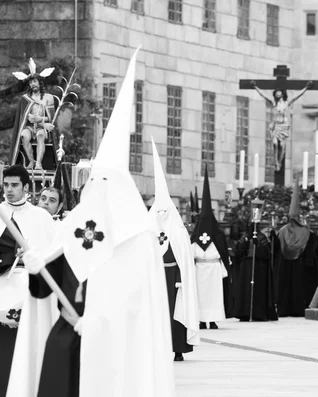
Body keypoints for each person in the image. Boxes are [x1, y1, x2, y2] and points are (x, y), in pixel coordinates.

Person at [13, 50, 176, 397]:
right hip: (67, 343)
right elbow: (47, 287)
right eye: (93, 182)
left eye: (105, 182)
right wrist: (35, 266)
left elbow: (140, 312)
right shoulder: (77, 227)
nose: (96, 190)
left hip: (116, 355)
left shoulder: (138, 239)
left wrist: (101, 323)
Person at [0, 165, 56, 396]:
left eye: (14, 185)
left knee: (26, 355)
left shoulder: (41, 217)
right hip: (2, 289)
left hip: (30, 291)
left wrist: (32, 255)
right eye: (6, 185)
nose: (9, 190)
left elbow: (54, 256)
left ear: (26, 187)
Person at [149, 140, 200, 361]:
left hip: (173, 282)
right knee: (155, 315)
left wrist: (179, 279)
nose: (161, 213)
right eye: (157, 210)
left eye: (164, 210)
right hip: (155, 279)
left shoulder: (178, 232)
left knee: (174, 313)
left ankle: (178, 348)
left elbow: (183, 259)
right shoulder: (148, 228)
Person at [191, 169, 229, 329]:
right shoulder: (195, 237)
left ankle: (212, 320)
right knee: (200, 295)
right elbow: (190, 254)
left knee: (213, 296)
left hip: (213, 269)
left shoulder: (218, 236)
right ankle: (200, 319)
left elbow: (223, 253)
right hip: (199, 268)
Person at [277, 179, 317, 317]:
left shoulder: (282, 231)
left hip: (285, 265)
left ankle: (284, 308)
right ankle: (297, 309)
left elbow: (278, 249)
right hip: (300, 264)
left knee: (285, 286)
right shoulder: (307, 232)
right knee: (298, 287)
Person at [251, 81, 312, 171]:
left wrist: (306, 88)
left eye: (278, 92)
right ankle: (276, 162)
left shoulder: (286, 103)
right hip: (275, 126)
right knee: (275, 144)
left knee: (282, 146)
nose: (277, 93)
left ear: (282, 94)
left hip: (283, 126)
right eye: (276, 92)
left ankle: (279, 161)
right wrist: (255, 87)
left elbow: (297, 96)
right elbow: (263, 95)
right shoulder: (273, 103)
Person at [10, 58, 57, 170]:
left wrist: (40, 119)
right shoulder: (25, 99)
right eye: (31, 82)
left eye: (35, 81)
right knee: (24, 136)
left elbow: (51, 118)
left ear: (40, 83)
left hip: (42, 127)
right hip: (30, 127)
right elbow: (24, 117)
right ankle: (31, 161)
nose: (33, 84)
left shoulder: (48, 98)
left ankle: (39, 163)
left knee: (41, 136)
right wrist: (31, 118)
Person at [232, 224, 278, 321]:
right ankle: (244, 313)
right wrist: (245, 242)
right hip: (246, 267)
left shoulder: (262, 237)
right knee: (245, 290)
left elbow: (267, 253)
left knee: (258, 290)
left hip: (258, 267)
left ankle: (258, 313)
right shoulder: (245, 236)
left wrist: (258, 245)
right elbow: (238, 252)